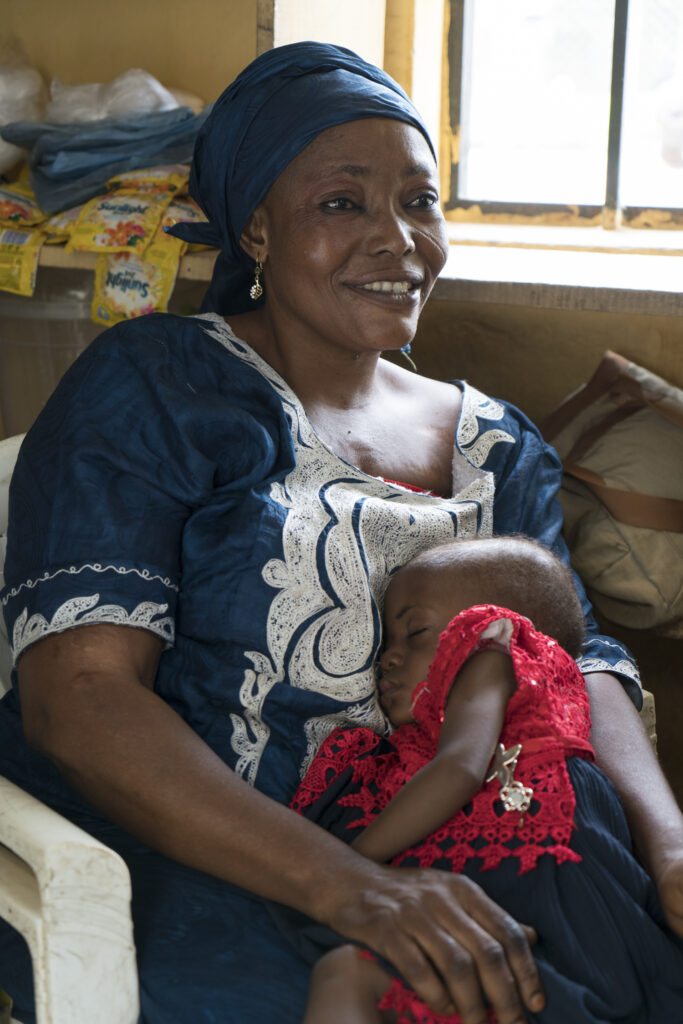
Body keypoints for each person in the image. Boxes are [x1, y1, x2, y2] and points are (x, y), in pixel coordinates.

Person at [0, 41, 681, 1024]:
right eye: (340, 203)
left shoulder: (499, 447)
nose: (397, 238)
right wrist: (354, 890)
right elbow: (80, 696)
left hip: (466, 841)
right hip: (200, 854)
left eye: (418, 200)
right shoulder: (159, 386)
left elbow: (574, 658)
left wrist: (665, 840)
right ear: (257, 230)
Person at [296, 537, 683, 1023]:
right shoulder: (410, 748)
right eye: (389, 644)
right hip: (515, 900)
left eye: (415, 631)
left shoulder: (492, 650)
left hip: (540, 879)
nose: (388, 658)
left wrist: (350, 867)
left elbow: (459, 769)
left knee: (346, 976)